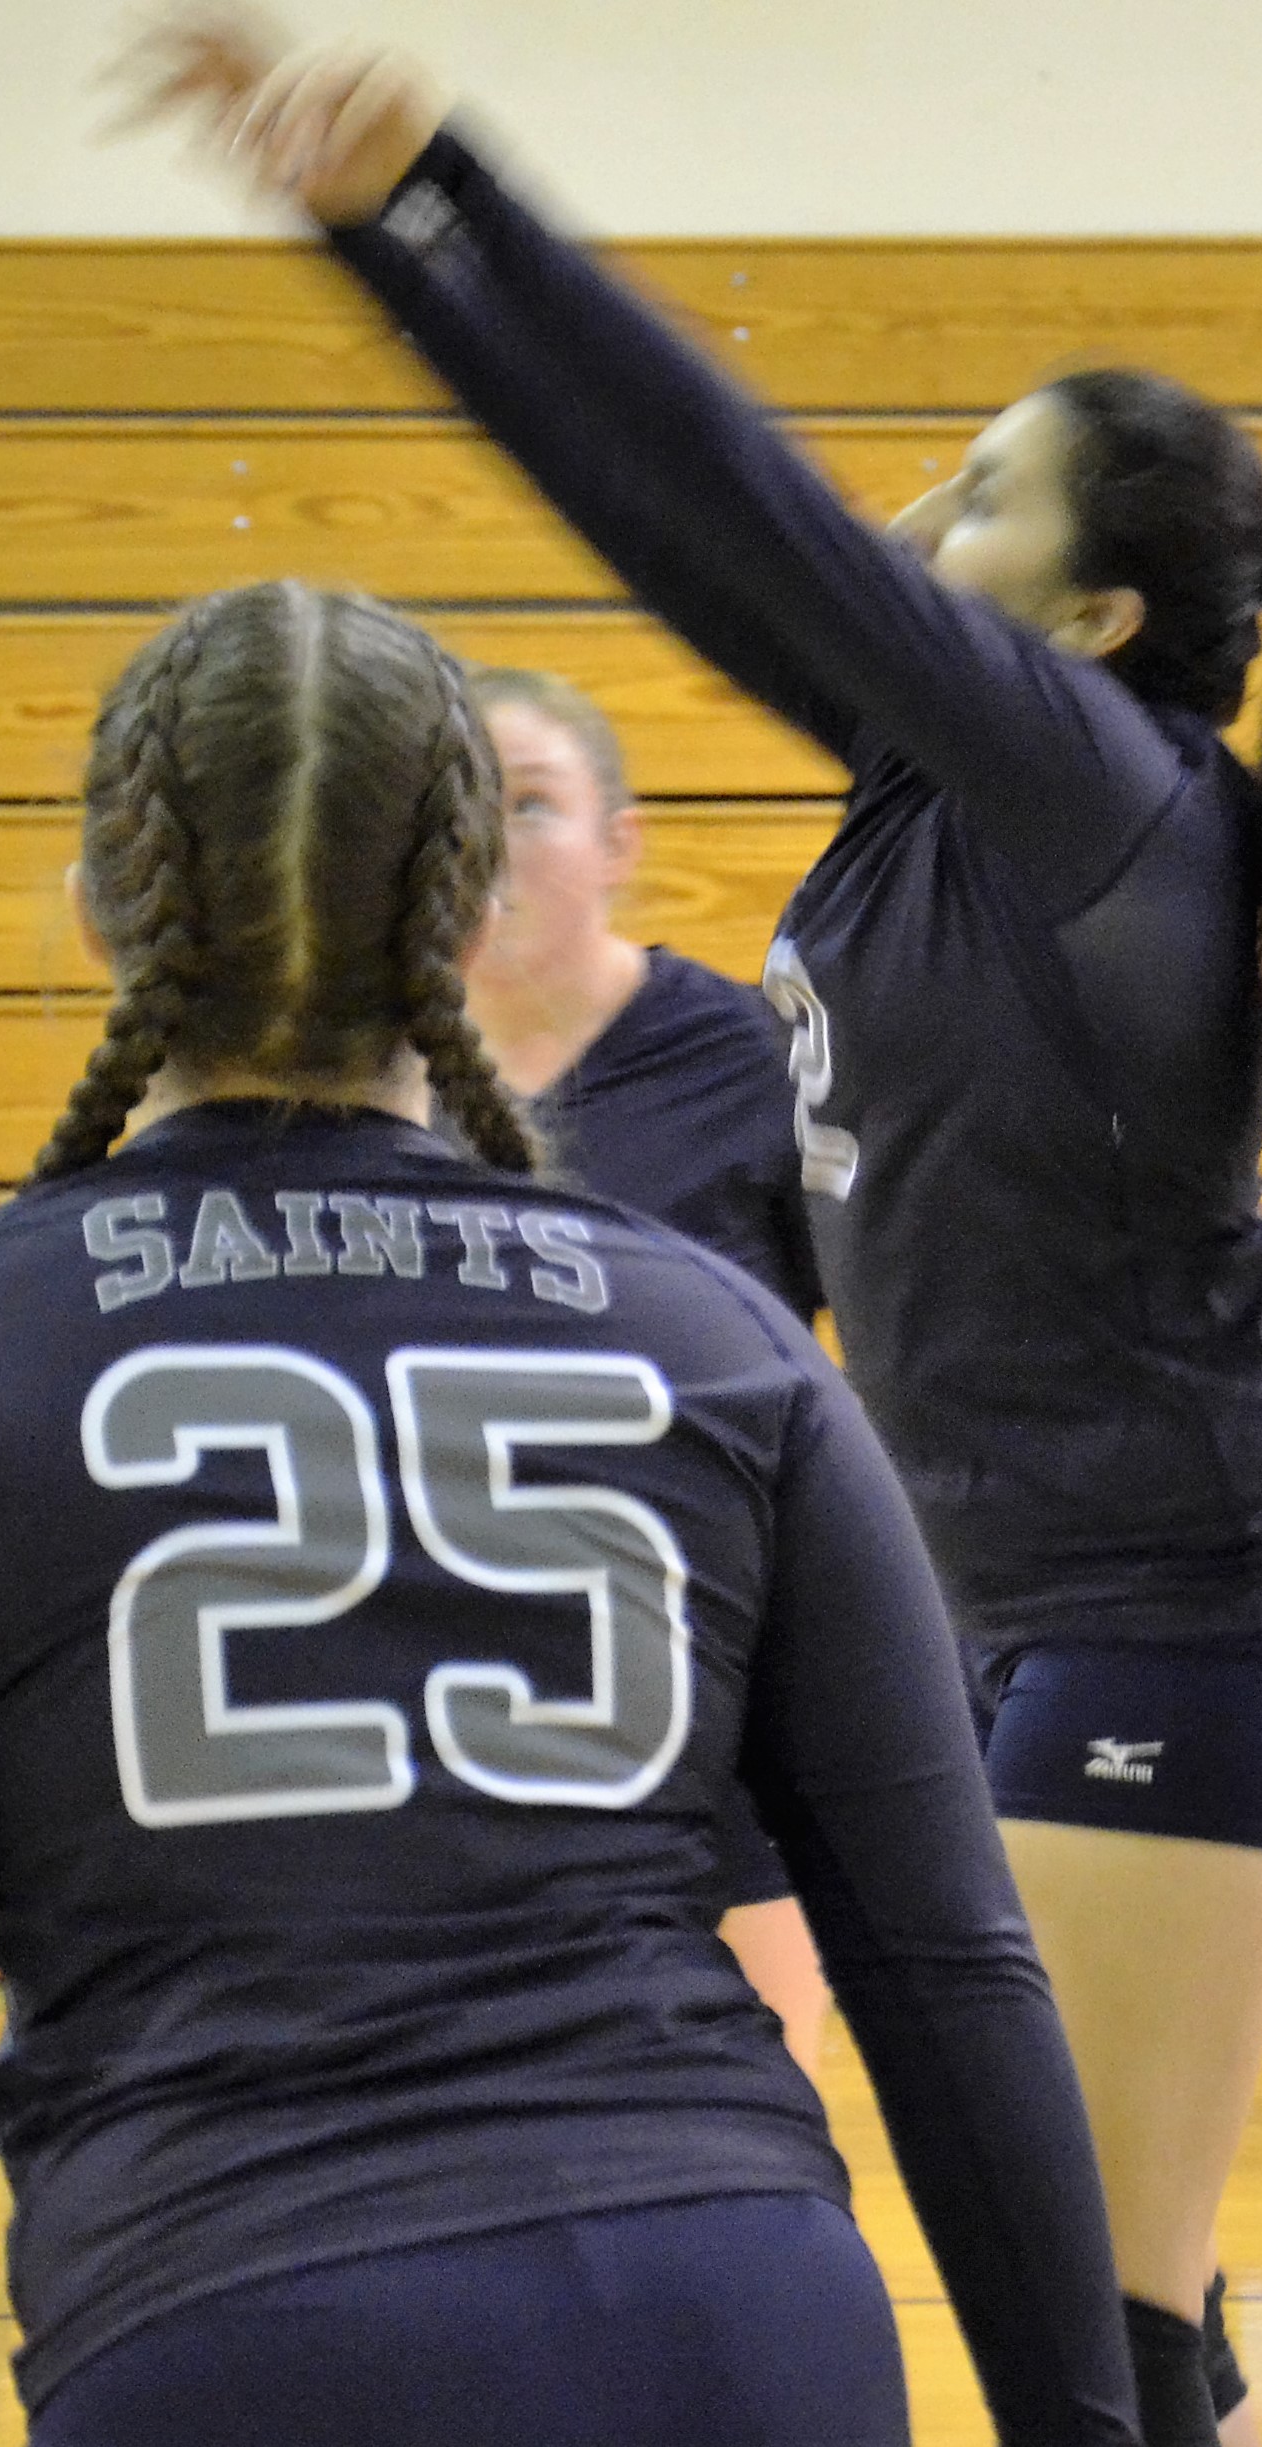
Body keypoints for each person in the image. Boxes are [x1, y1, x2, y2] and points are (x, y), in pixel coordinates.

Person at [126, 3, 1262, 2446]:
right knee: (1067, 2305)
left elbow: (740, 489)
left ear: (1088, 620)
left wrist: (453, 171)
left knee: (1093, 2329)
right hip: (1050, 1605)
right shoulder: (946, 794)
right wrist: (395, 242)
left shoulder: (1100, 784)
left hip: (1186, 1610)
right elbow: (668, 521)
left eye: (982, 490)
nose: (915, 510)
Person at [0, 580, 1136, 2447]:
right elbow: (950, 1961)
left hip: (227, 2324)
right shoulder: (712, 1330)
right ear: (464, 916)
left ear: (95, 920)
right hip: (738, 2316)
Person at [459, 665, 838, 2064]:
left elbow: (864, 1352)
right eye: (455, 811)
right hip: (454, 1659)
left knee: (751, 2089)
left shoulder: (750, 1066)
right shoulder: (369, 1080)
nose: (485, 850)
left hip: (709, 1652)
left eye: (530, 806)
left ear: (620, 842)